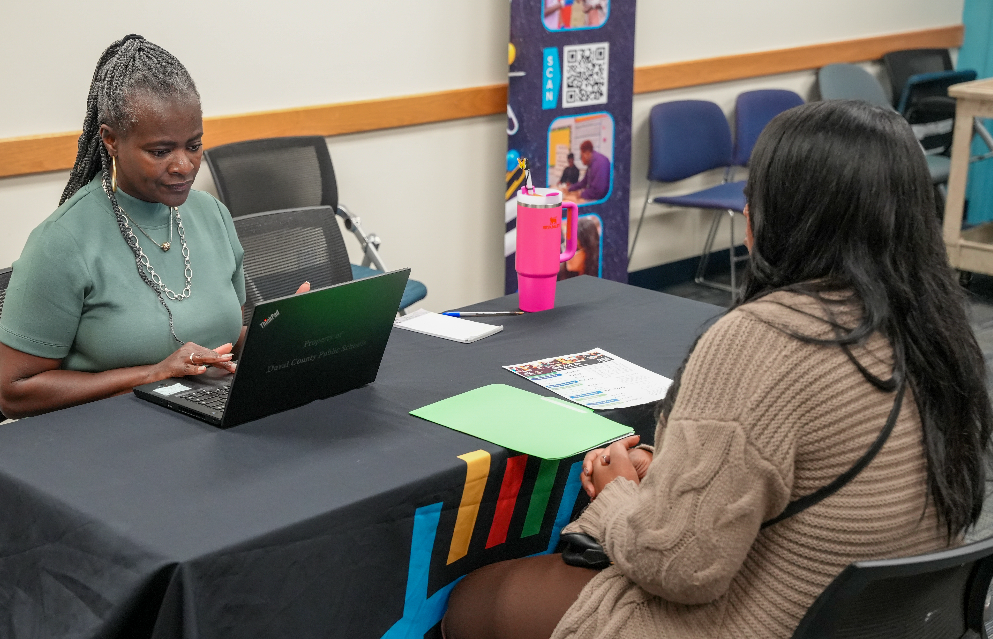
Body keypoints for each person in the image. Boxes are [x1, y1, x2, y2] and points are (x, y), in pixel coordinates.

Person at [443, 100, 993, 639]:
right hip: (882, 620)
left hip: (755, 619)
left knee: (471, 603)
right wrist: (667, 477)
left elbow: (681, 569)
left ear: (778, 215)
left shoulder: (763, 338)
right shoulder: (936, 331)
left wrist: (614, 495)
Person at [0, 35, 251, 419]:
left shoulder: (213, 215)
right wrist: (152, 374)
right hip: (110, 442)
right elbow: (13, 392)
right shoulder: (62, 241)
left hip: (209, 417)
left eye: (194, 145)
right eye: (160, 151)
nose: (184, 165)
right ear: (111, 140)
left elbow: (227, 339)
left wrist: (288, 330)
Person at [558, 216, 601, 280]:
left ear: (589, 250)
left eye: (575, 249)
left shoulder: (602, 273)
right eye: (565, 247)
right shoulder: (559, 273)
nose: (566, 255)